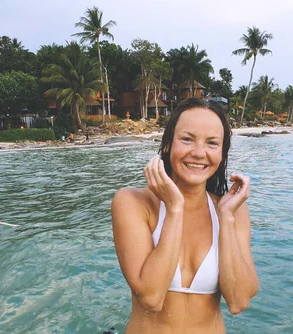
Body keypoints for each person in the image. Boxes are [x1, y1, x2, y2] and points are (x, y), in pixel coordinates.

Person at [111, 98, 259, 333]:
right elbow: (151, 297)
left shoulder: (233, 211)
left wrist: (227, 219)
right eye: (187, 139)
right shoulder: (132, 203)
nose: (199, 153)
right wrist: (174, 209)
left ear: (221, 153)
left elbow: (239, 301)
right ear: (168, 143)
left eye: (212, 143)